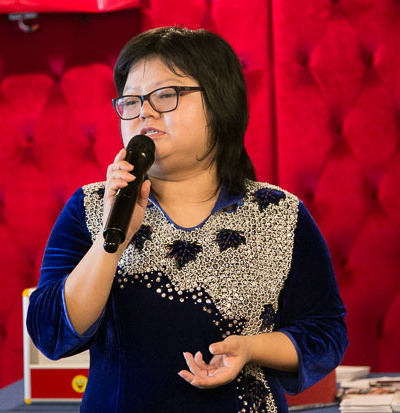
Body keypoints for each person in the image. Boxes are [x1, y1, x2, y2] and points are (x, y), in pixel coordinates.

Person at [27, 26, 348, 413]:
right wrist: (111, 241)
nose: (144, 112)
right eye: (131, 101)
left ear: (220, 102)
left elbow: (325, 333)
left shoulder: (279, 214)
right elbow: (50, 332)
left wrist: (251, 348)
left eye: (165, 95)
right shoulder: (91, 208)